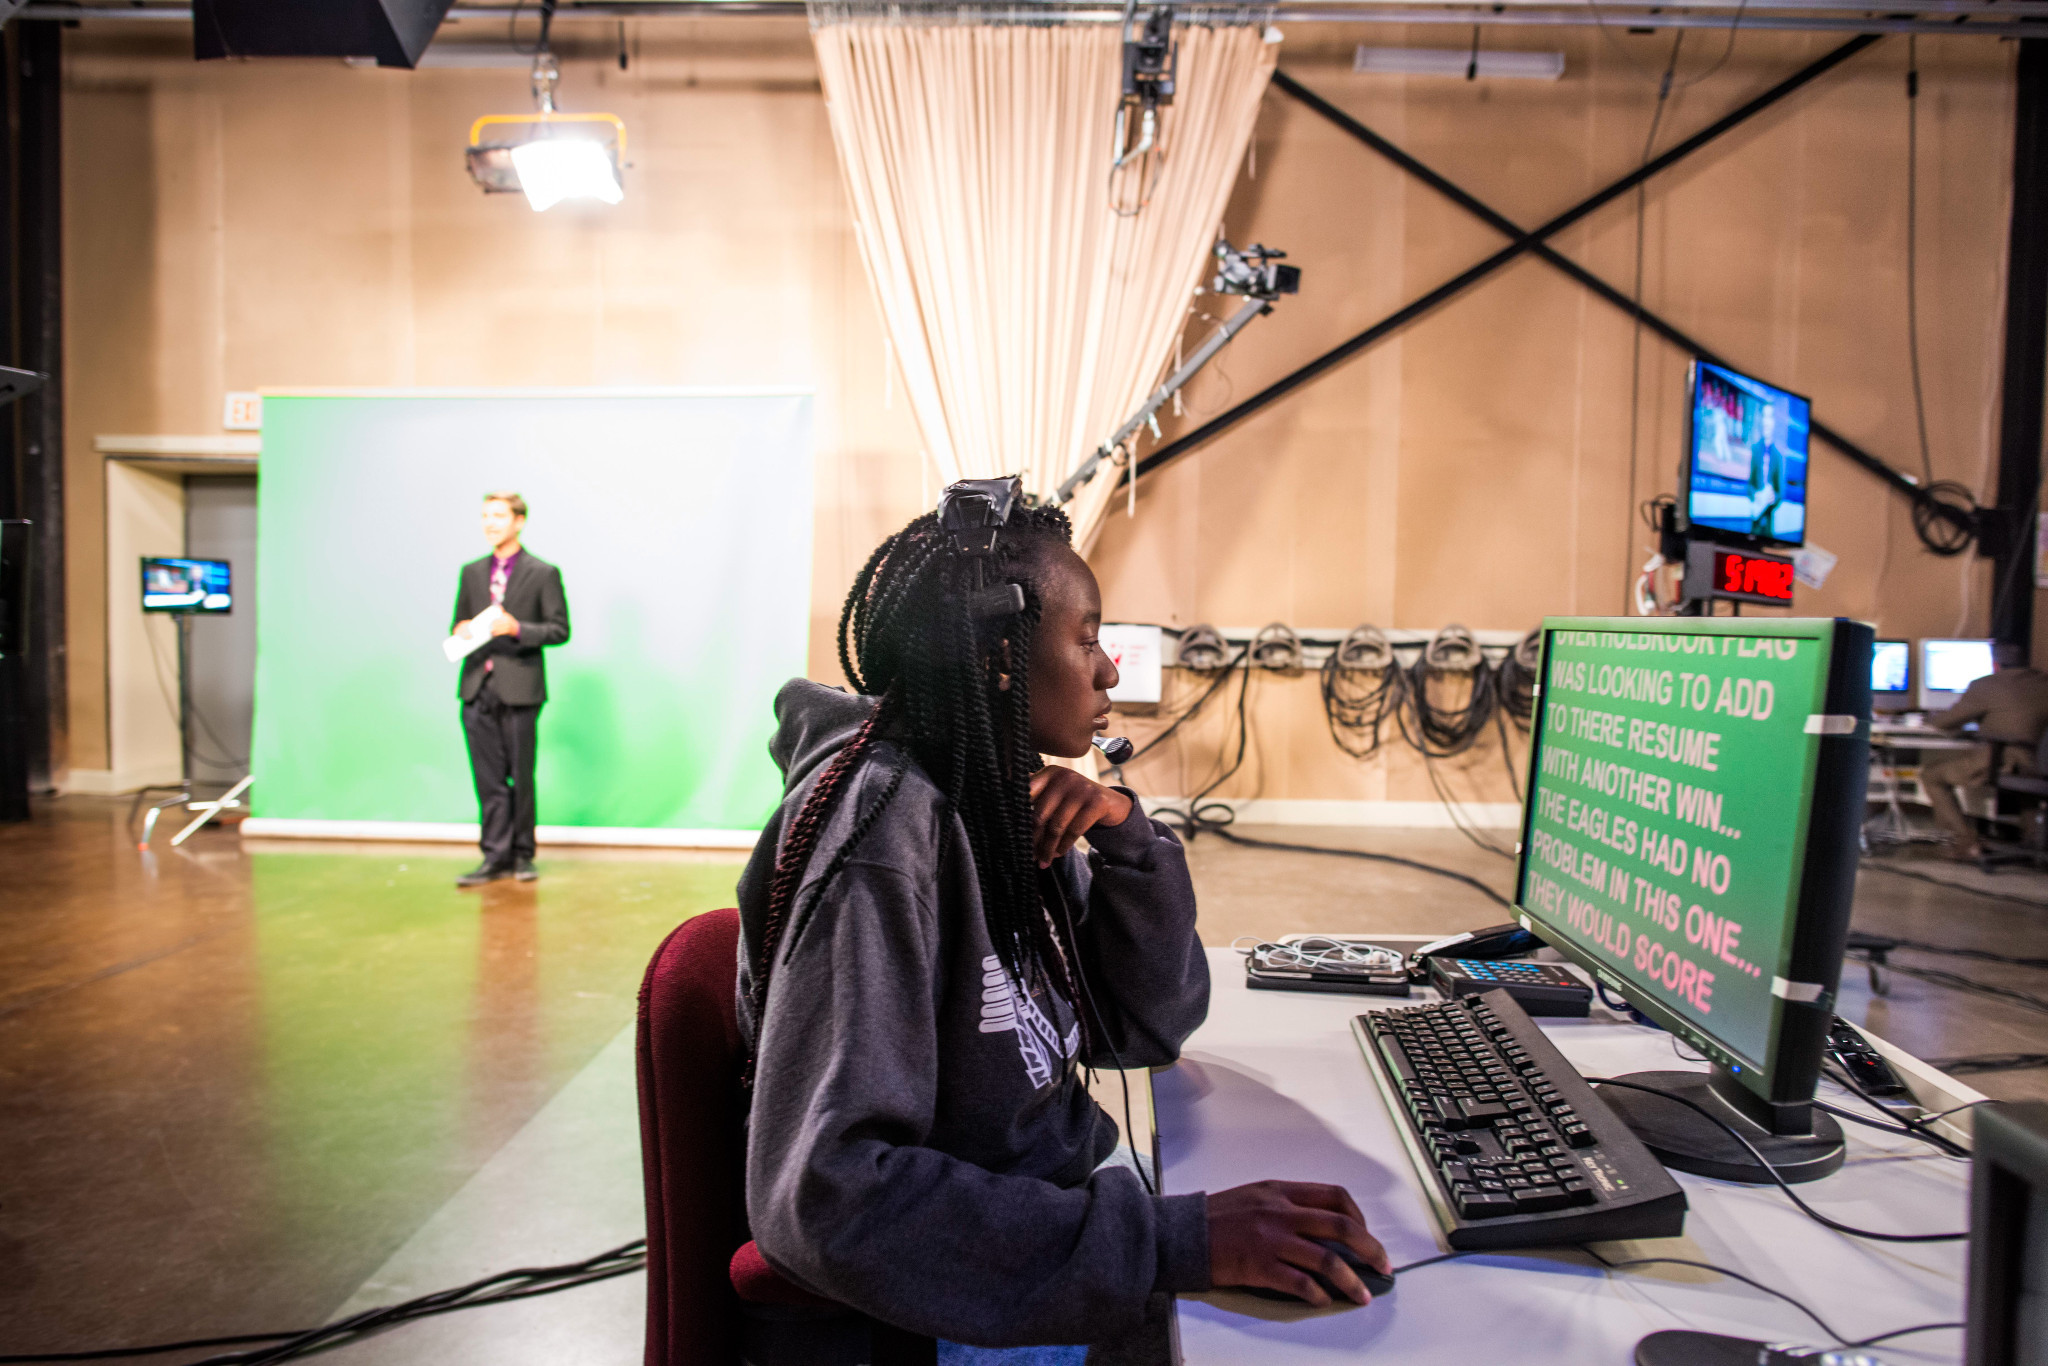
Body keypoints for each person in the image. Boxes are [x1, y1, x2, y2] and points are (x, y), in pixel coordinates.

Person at [735, 479, 1388, 1366]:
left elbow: (1143, 1027)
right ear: (1002, 656)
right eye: (1087, 640)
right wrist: (1175, 1245)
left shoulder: (993, 802)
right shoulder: (883, 832)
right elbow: (830, 1197)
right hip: (951, 1302)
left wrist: (1128, 842)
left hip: (1041, 1227)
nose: (1110, 670)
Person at [451, 492, 570, 888]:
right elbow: (458, 621)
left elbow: (558, 629)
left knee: (520, 775)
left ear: (518, 521)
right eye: (485, 515)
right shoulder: (471, 572)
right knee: (487, 779)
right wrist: (461, 629)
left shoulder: (542, 573)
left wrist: (517, 628)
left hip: (520, 689)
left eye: (499, 515)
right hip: (476, 688)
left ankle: (522, 855)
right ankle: (493, 857)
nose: (490, 523)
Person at [1925, 641, 2048, 860]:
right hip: (2039, 762)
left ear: (1995, 663)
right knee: (2028, 793)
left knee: (1932, 775)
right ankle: (2032, 843)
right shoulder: (2042, 682)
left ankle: (1966, 842)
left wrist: (1929, 718)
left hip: (2003, 758)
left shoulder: (1986, 685)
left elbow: (1944, 723)